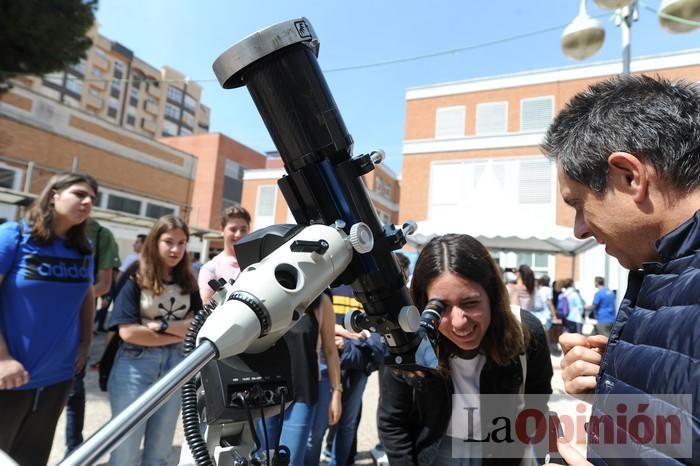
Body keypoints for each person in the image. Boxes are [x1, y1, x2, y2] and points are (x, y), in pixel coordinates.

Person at [541, 75, 700, 465]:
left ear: (631, 177)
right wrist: (610, 390)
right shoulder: (659, 271)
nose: (579, 228)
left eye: (578, 203)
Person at [378, 234, 553, 465]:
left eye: (470, 303)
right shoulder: (405, 339)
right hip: (436, 454)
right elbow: (393, 421)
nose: (459, 322)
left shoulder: (526, 332)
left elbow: (537, 398)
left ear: (492, 296)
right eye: (440, 307)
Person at [0, 173, 97, 466]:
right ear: (53, 195)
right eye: (80, 194)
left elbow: (87, 296)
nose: (88, 201)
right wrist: (2, 357)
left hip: (57, 379)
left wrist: (85, 343)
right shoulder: (13, 235)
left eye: (93, 198)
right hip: (8, 377)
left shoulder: (84, 248)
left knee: (32, 460)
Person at [106, 215, 201, 466]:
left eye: (182, 243)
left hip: (177, 366)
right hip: (134, 365)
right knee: (124, 450)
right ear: (154, 241)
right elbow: (128, 332)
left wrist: (161, 326)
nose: (175, 249)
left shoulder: (189, 280)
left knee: (159, 452)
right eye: (169, 241)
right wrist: (181, 329)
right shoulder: (135, 274)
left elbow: (200, 326)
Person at [257, 290, 342, 466]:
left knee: (292, 460)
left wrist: (336, 393)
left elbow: (330, 350)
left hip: (302, 393)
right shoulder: (262, 290)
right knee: (262, 458)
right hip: (264, 392)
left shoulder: (320, 300)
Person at [64, 218, 121, 455]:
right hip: (36, 328)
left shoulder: (100, 235)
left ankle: (73, 450)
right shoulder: (31, 233)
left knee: (73, 391)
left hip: (76, 323)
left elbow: (104, 284)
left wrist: (72, 297)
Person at [198, 206, 250, 303]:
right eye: (233, 229)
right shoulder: (210, 269)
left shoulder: (257, 262)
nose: (238, 234)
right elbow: (207, 306)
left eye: (243, 230)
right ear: (222, 230)